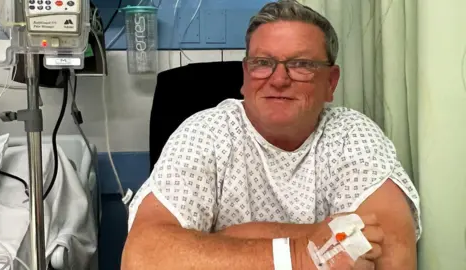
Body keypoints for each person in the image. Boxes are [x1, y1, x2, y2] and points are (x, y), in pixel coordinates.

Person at [122, 0, 421, 269]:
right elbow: (143, 257)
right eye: (263, 63)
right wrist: (303, 254)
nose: (279, 79)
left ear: (331, 82)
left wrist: (224, 240)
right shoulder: (205, 134)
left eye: (301, 65)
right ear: (245, 75)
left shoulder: (352, 137)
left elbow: (389, 258)